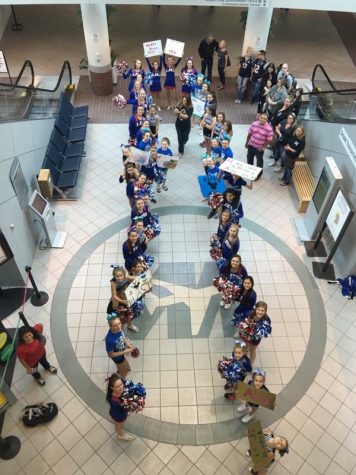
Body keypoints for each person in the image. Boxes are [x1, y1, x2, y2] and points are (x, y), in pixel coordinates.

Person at [106, 373, 135, 441]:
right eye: (117, 386)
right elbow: (119, 412)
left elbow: (128, 385)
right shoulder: (113, 401)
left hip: (122, 411)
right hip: (118, 416)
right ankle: (120, 435)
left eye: (121, 384)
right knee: (119, 425)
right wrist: (128, 407)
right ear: (112, 388)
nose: (121, 387)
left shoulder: (123, 384)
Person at [245, 113, 274, 180]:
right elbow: (249, 133)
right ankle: (250, 171)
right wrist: (246, 143)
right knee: (249, 159)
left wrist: (263, 147)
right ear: (259, 118)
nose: (263, 119)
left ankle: (258, 175)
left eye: (265, 118)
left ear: (267, 120)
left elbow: (269, 140)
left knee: (259, 162)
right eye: (262, 118)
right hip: (251, 145)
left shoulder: (269, 129)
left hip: (259, 148)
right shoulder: (254, 124)